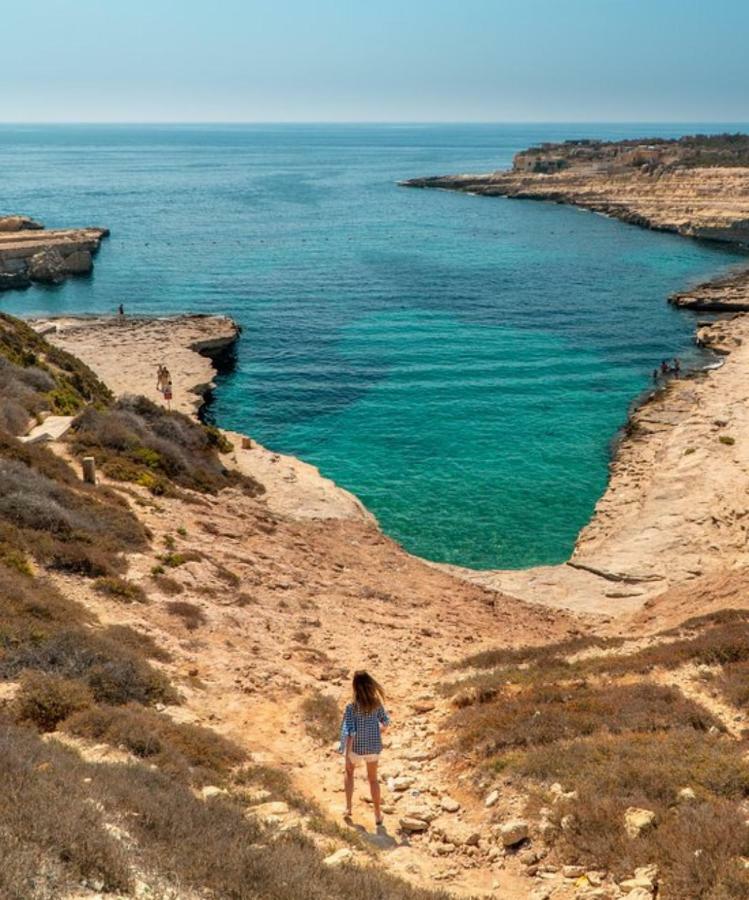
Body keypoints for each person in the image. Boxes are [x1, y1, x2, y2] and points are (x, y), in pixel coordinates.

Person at [339, 671, 390, 827]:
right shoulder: (376, 704)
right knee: (373, 779)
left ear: (355, 687)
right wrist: (377, 731)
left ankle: (348, 808)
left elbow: (350, 730)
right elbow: (386, 722)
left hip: (355, 747)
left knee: (349, 772)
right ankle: (377, 814)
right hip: (373, 747)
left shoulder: (351, 707)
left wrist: (347, 753)